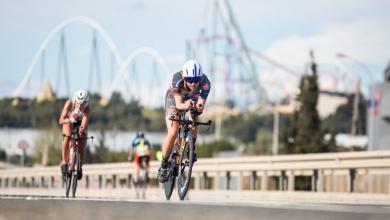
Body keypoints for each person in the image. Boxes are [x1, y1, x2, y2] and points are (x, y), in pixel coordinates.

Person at [157, 60, 211, 183]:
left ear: (200, 77)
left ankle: (191, 146)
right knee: (174, 131)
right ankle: (164, 164)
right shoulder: (177, 78)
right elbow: (179, 104)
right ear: (185, 77)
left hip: (192, 99)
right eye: (190, 80)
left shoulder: (206, 82)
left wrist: (198, 107)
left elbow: (201, 103)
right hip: (175, 100)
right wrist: (187, 105)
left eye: (196, 79)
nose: (193, 83)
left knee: (195, 116)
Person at [59, 89, 90, 180]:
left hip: (80, 123)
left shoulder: (87, 108)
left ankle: (79, 166)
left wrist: (82, 129)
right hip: (68, 121)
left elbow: (84, 122)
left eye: (82, 104)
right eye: (78, 103)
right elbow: (61, 120)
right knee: (67, 136)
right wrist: (68, 120)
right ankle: (64, 162)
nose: (80, 106)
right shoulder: (69, 103)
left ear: (86, 103)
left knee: (83, 143)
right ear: (74, 100)